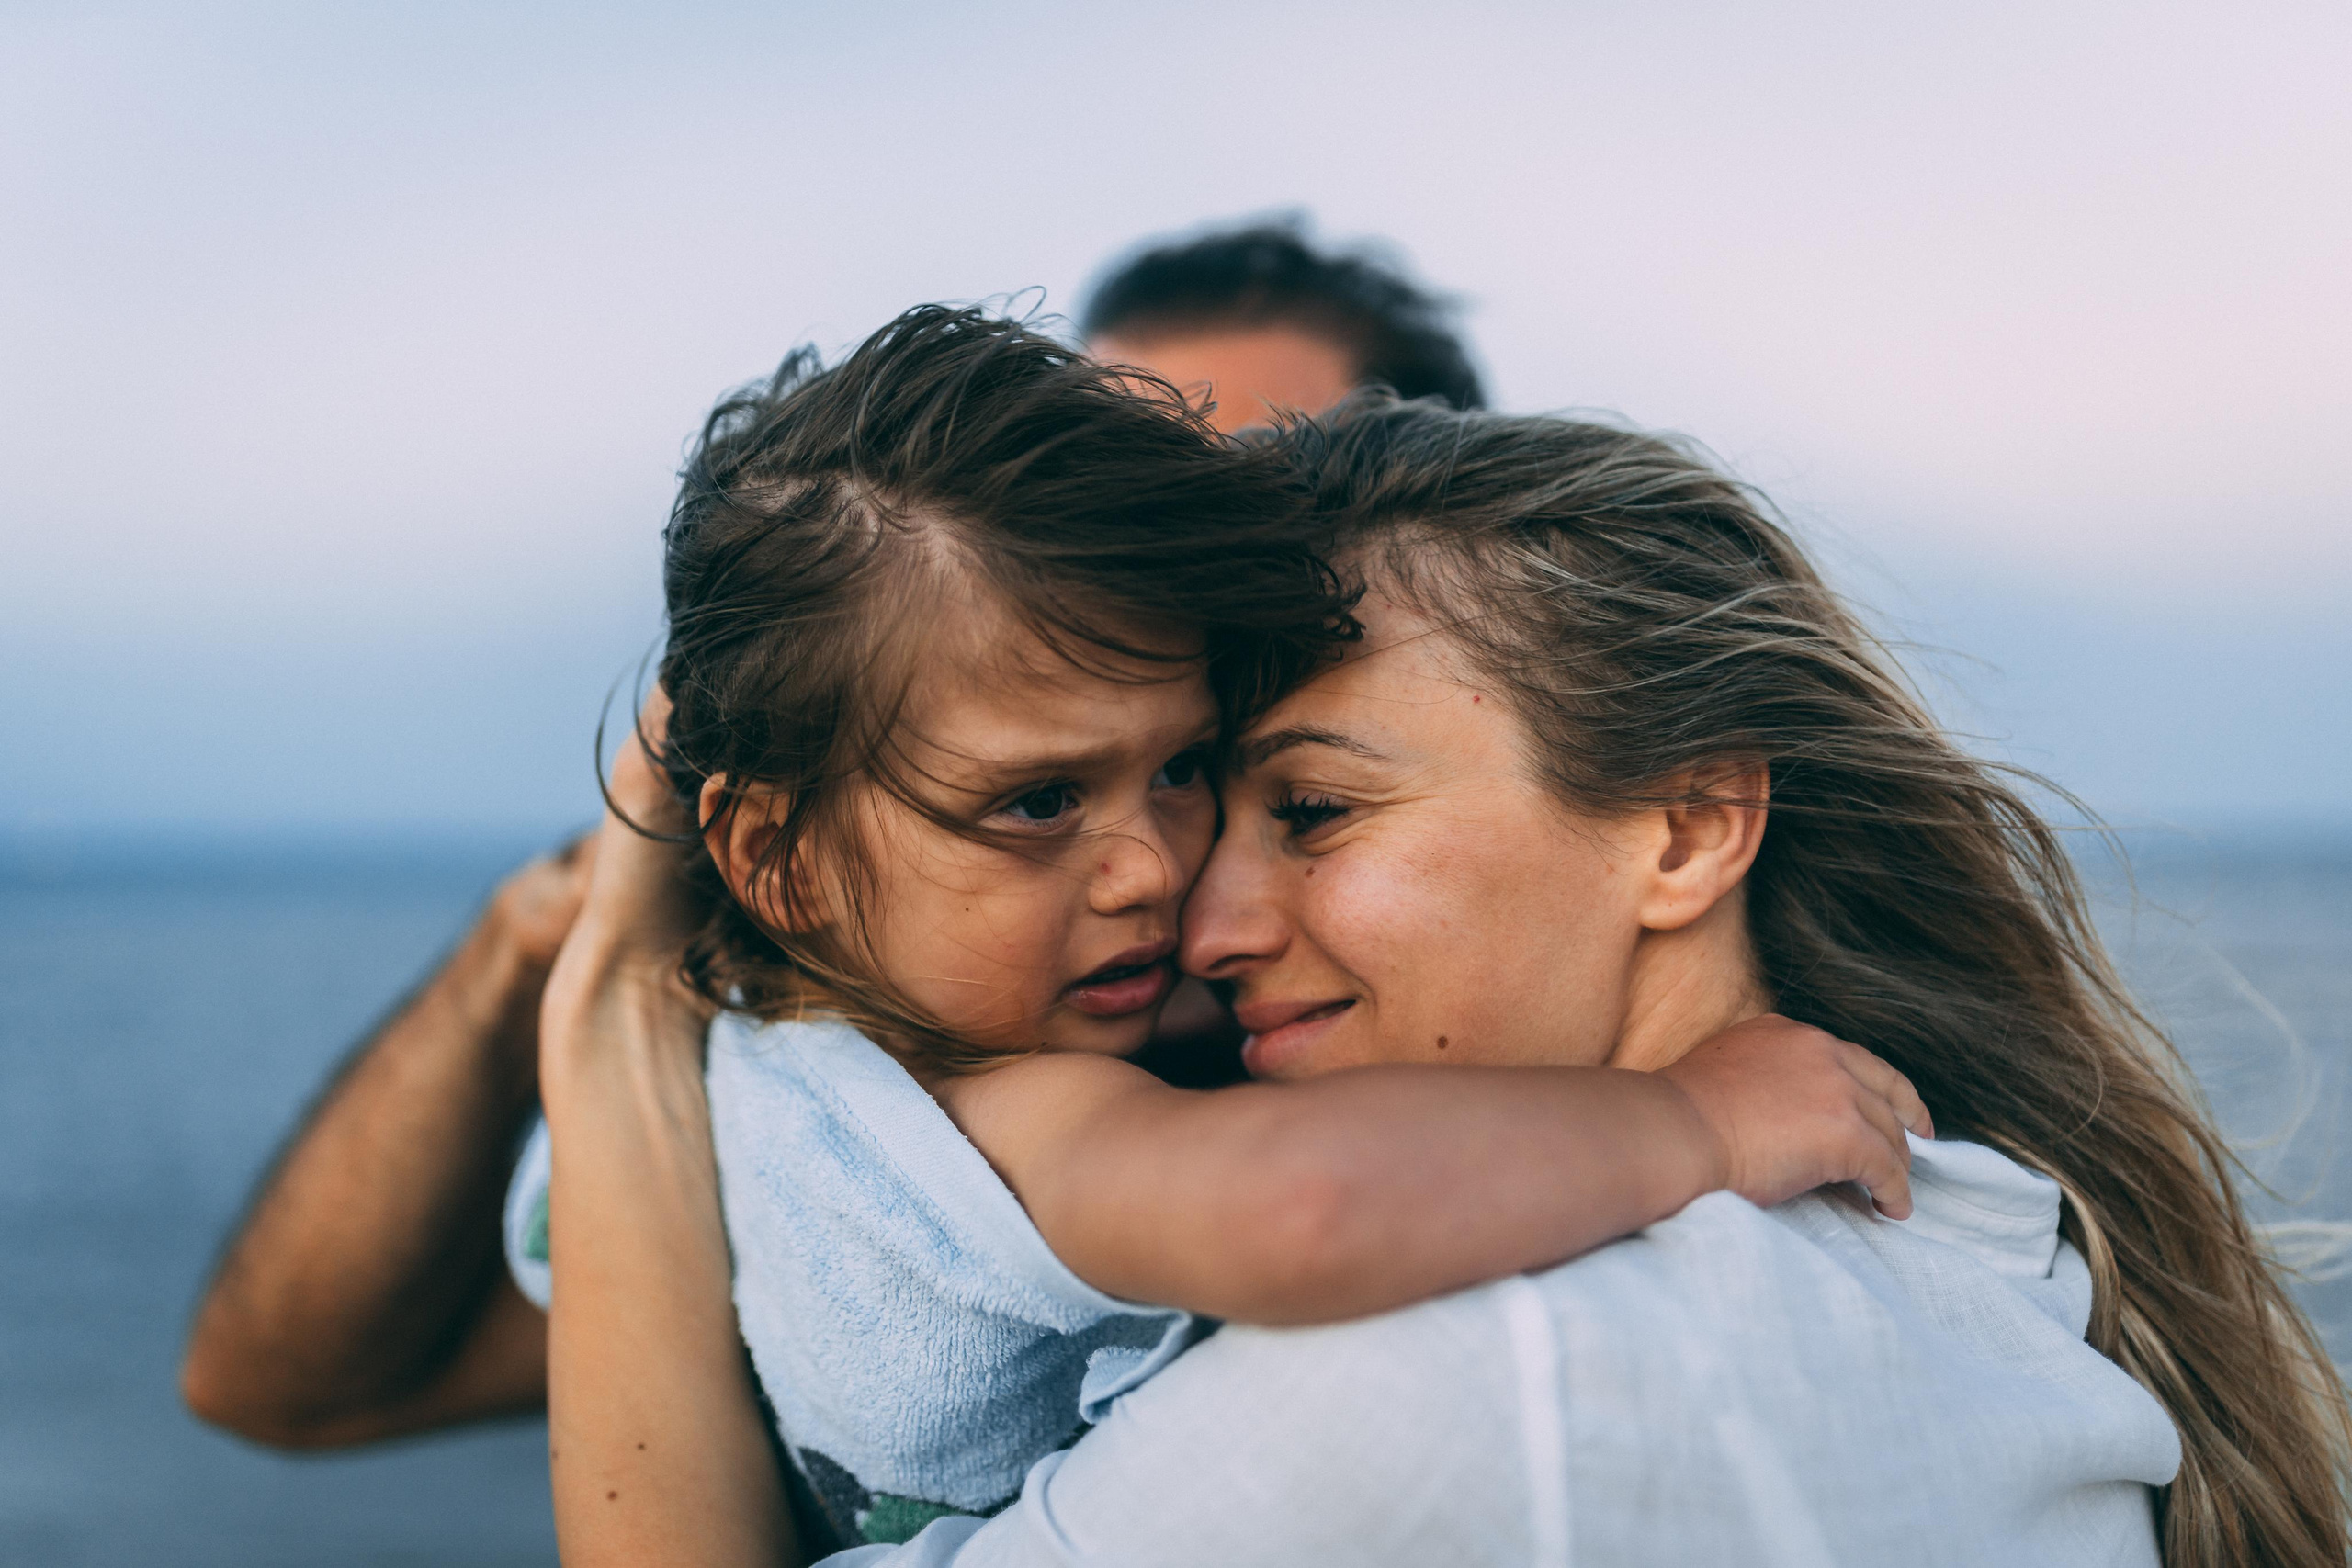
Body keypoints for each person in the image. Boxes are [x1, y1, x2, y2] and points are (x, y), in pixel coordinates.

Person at [542, 394, 2352, 1566]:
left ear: (1684, 824)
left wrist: (611, 1025)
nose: (1190, 910)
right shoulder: (1972, 1248)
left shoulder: (1472, 1376)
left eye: (1309, 808)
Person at [177, 219, 1481, 1449]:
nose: (1138, 582)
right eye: (1109, 504)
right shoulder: (860, 1114)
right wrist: (551, 938)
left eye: (1240, 515)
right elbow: (287, 1388)